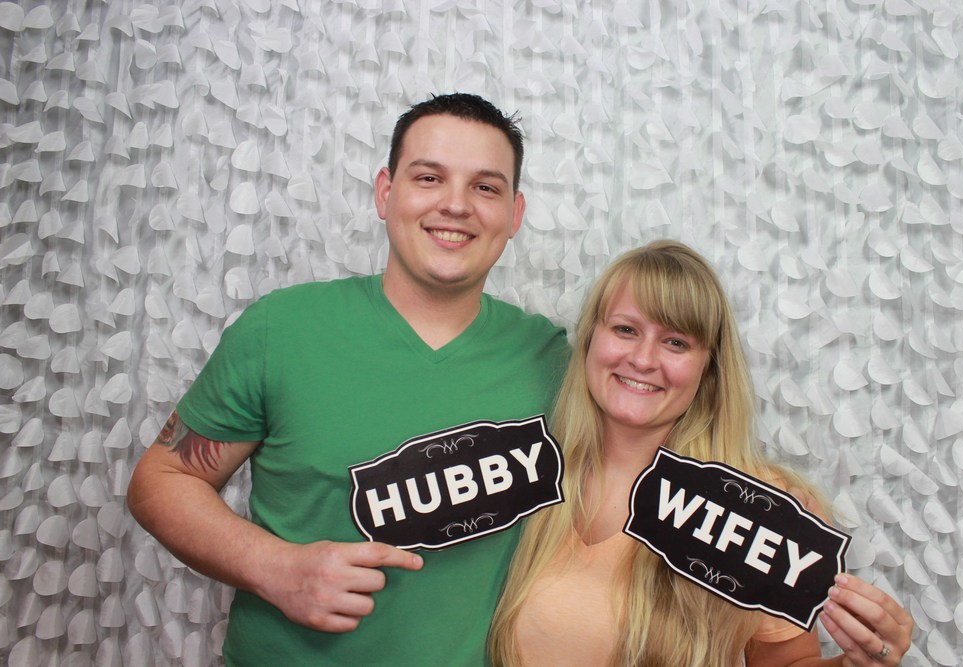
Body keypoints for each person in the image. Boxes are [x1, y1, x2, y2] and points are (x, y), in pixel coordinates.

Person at [127, 93, 569, 666]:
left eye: (485, 187)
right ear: (385, 192)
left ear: (514, 214)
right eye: (429, 178)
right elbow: (161, 479)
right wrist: (276, 567)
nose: (456, 204)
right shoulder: (282, 330)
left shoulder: (551, 360)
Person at [489, 240, 914, 667]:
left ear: (708, 369)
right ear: (589, 340)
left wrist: (858, 663)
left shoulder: (759, 506)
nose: (643, 359)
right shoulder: (526, 473)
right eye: (625, 330)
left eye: (675, 342)